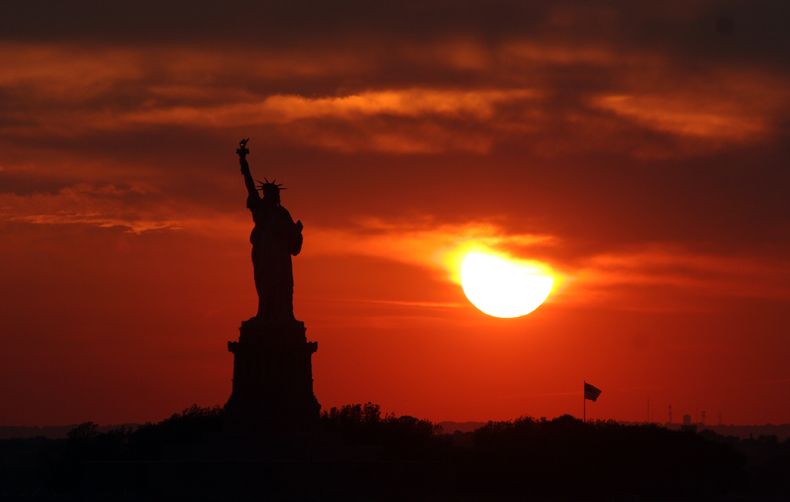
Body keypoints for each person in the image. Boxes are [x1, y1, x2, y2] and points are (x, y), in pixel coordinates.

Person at [237, 139, 303, 321]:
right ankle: (264, 314)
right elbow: (249, 185)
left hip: (281, 258)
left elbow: (293, 245)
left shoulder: (283, 213)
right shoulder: (260, 209)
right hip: (264, 255)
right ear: (266, 195)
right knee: (265, 285)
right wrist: (243, 161)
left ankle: (284, 316)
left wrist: (297, 233)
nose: (275, 196)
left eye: (276, 194)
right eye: (271, 194)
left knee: (283, 286)